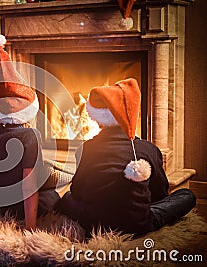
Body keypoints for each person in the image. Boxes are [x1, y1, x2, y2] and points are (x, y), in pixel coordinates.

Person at [56, 78, 196, 235]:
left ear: (99, 121)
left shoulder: (85, 148)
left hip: (92, 223)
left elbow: (77, 192)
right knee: (186, 195)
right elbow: (159, 194)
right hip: (137, 225)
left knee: (67, 196)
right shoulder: (148, 149)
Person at [0, 40, 55, 230]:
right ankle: (52, 174)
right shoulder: (30, 136)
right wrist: (30, 228)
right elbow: (28, 188)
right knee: (53, 196)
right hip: (13, 209)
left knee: (42, 174)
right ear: (27, 111)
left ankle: (50, 172)